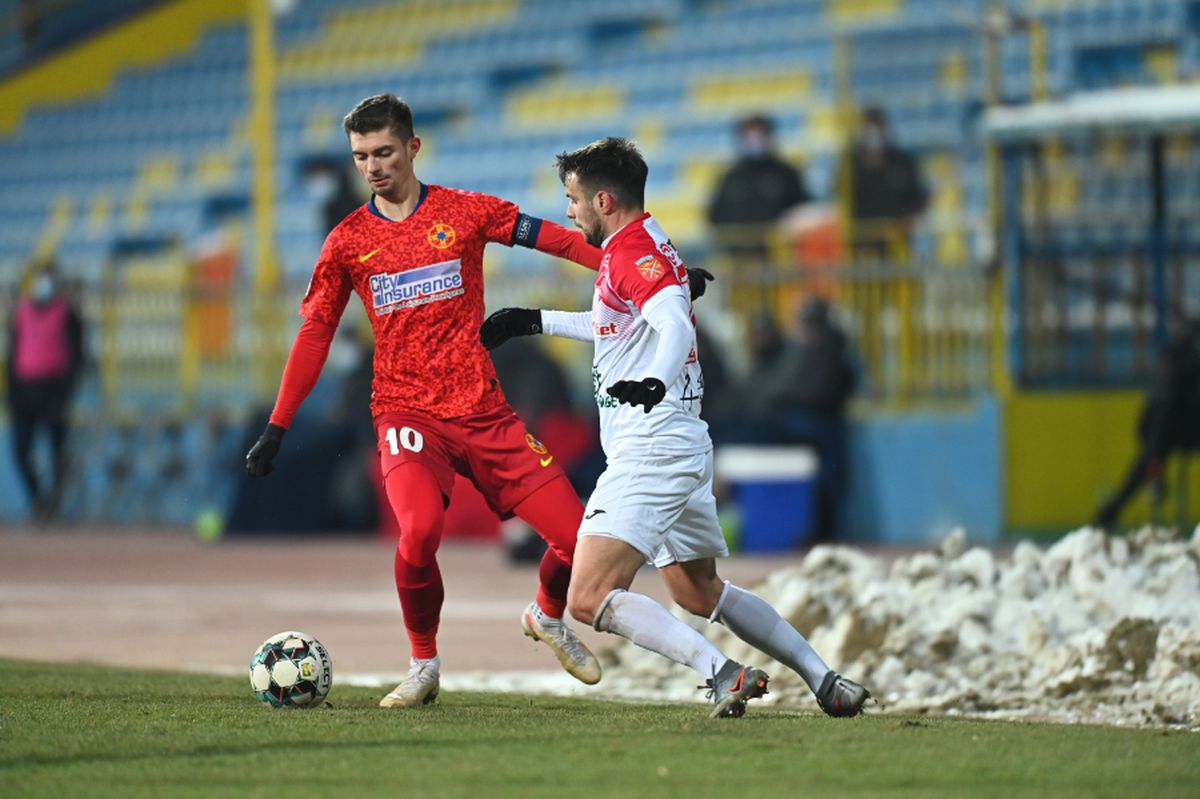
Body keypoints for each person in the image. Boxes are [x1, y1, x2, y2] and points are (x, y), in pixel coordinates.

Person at [480, 137, 869, 718]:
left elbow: (671, 326)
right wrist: (533, 321)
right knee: (698, 592)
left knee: (586, 597)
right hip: (679, 444)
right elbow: (621, 323)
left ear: (603, 200)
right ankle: (825, 680)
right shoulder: (638, 245)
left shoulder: (632, 252)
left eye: (572, 199)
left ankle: (723, 673)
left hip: (650, 446)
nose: (568, 211)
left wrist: (655, 380)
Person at [242, 93, 608, 708]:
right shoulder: (346, 242)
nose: (373, 166)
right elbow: (314, 334)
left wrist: (654, 276)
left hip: (484, 410)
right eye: (361, 156)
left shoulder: (467, 212)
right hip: (406, 414)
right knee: (417, 533)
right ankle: (423, 664)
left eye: (384, 151)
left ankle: (547, 617)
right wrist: (278, 424)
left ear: (413, 147)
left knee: (578, 539)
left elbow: (561, 242)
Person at [715, 299, 857, 540]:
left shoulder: (826, 352)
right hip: (803, 423)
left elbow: (814, 393)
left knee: (830, 483)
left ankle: (826, 533)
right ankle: (823, 533)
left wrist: (776, 403)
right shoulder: (805, 353)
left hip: (818, 427)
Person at [1095, 319, 1200, 527]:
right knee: (1156, 441)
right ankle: (1153, 469)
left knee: (1151, 452)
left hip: (1161, 432)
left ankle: (1152, 470)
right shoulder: (1179, 359)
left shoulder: (1171, 356)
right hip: (1169, 429)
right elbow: (1165, 402)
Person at [5, 261, 84, 522]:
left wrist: (65, 391)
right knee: (20, 449)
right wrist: (11, 392)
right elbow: (13, 353)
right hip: (25, 392)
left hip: (53, 390)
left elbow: (77, 356)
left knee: (57, 451)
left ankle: (54, 504)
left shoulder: (66, 313)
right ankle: (38, 500)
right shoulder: (22, 312)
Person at [707, 113, 811, 261]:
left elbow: (802, 212)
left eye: (758, 133)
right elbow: (714, 215)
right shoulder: (731, 177)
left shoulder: (786, 174)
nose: (754, 139)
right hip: (740, 259)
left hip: (779, 259)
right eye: (748, 134)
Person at [838, 106, 927, 260]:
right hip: (860, 245)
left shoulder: (901, 161)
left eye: (877, 125)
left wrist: (905, 221)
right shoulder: (850, 164)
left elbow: (918, 197)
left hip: (896, 243)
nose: (873, 132)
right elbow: (839, 195)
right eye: (868, 126)